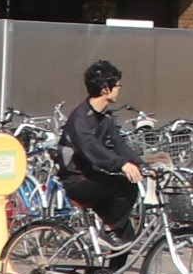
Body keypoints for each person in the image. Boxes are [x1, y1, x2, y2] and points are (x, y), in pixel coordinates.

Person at [61, 59, 147, 242]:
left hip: (95, 178)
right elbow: (91, 147)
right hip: (77, 181)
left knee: (125, 236)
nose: (119, 89)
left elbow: (119, 145)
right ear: (105, 89)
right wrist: (121, 164)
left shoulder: (106, 117)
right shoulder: (80, 119)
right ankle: (107, 232)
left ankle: (106, 271)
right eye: (117, 85)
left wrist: (143, 165)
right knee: (125, 187)